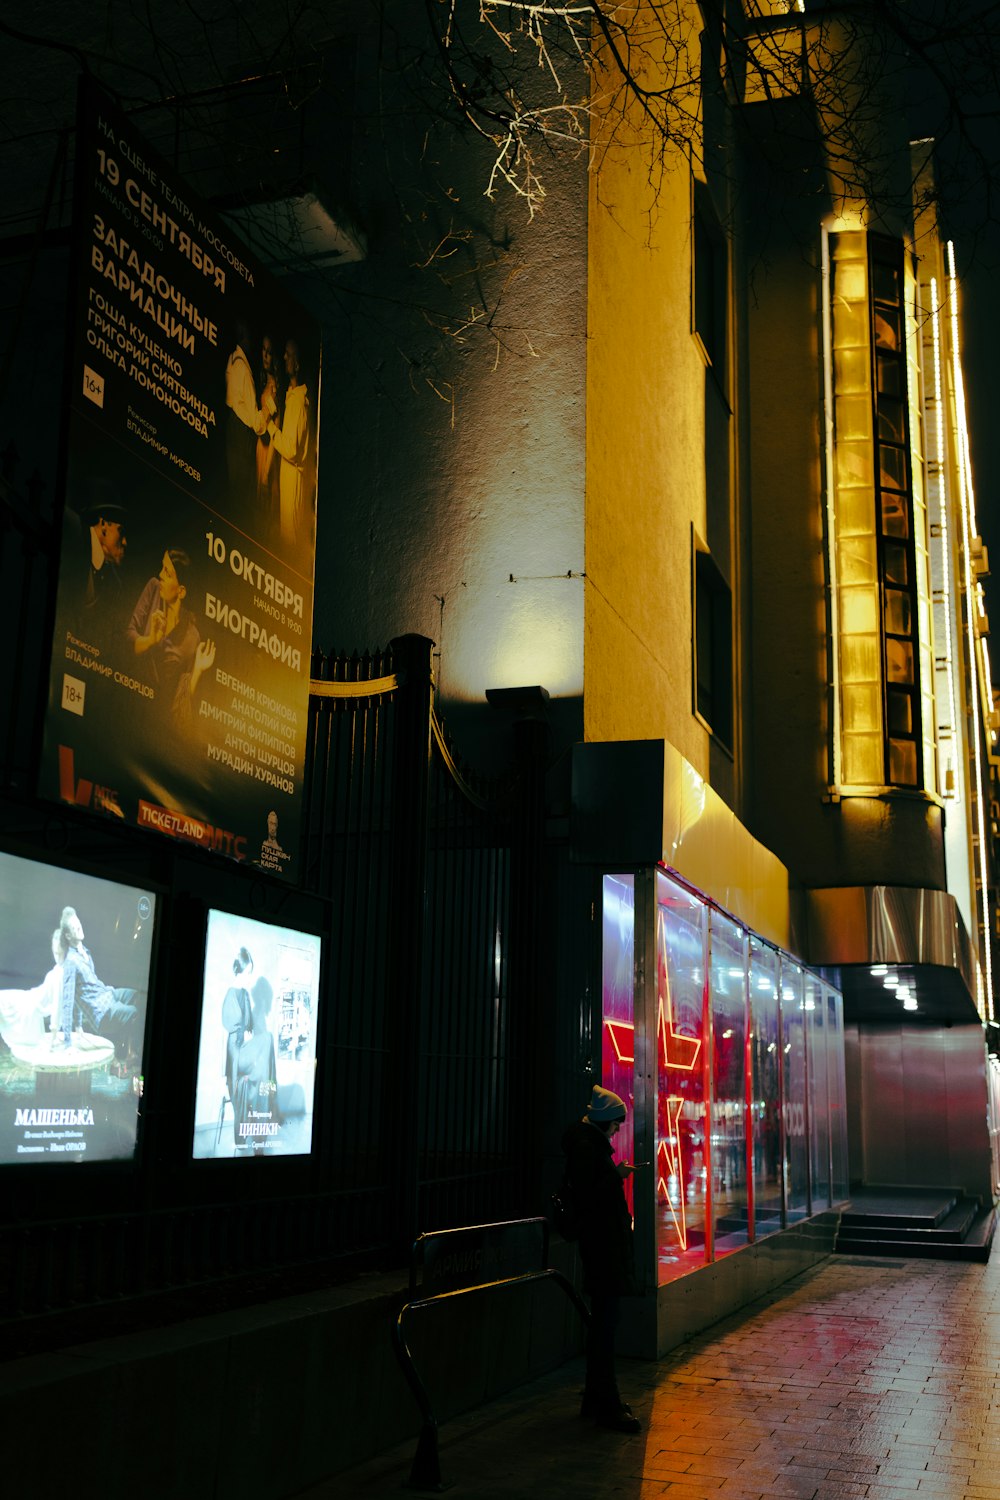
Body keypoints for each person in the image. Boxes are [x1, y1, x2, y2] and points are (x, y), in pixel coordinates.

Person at [561, 1085, 642, 1433]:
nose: (618, 1129)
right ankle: (606, 1404)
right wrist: (616, 1176)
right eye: (616, 1124)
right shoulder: (587, 1151)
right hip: (602, 1251)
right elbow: (593, 1199)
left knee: (603, 1327)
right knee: (605, 1329)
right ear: (606, 1121)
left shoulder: (587, 1148)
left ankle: (596, 1398)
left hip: (601, 1250)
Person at [127, 548, 216, 729]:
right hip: (128, 700)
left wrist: (197, 670)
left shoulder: (192, 637)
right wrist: (151, 639)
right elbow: (127, 637)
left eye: (167, 573)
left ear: (181, 591)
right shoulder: (153, 589)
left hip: (155, 722)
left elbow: (180, 703)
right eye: (162, 568)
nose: (160, 575)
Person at [55, 906, 138, 1062]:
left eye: (78, 922)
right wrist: (68, 1042)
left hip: (108, 994)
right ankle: (127, 1053)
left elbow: (83, 992)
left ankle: (124, 1044)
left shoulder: (85, 952)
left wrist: (79, 1027)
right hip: (102, 1011)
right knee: (134, 1012)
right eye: (74, 927)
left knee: (135, 995)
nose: (79, 927)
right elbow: (69, 1001)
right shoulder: (70, 962)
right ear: (67, 935)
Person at [264, 339, 312, 550]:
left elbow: (291, 450)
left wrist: (271, 429)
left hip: (293, 479)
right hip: (288, 478)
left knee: (290, 538)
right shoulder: (292, 398)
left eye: (288, 354)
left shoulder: (299, 402)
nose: (284, 358)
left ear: (298, 363)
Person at [225, 320, 267, 502]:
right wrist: (269, 406)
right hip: (242, 435)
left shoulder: (232, 359)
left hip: (231, 428)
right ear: (245, 336)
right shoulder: (243, 368)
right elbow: (255, 423)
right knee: (243, 494)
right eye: (250, 337)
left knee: (235, 488)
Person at [221, 947, 254, 1146]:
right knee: (240, 1091)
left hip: (246, 1051)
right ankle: (240, 1140)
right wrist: (245, 1034)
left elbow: (249, 1024)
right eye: (247, 973)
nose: (249, 977)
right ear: (239, 971)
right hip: (235, 1050)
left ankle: (247, 1132)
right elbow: (232, 1024)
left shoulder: (245, 994)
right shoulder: (231, 994)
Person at [255, 333, 282, 528]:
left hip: (269, 454)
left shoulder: (275, 390)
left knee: (267, 501)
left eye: (269, 352)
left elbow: (276, 431)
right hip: (259, 449)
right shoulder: (264, 385)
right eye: (263, 350)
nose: (265, 356)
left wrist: (267, 471)